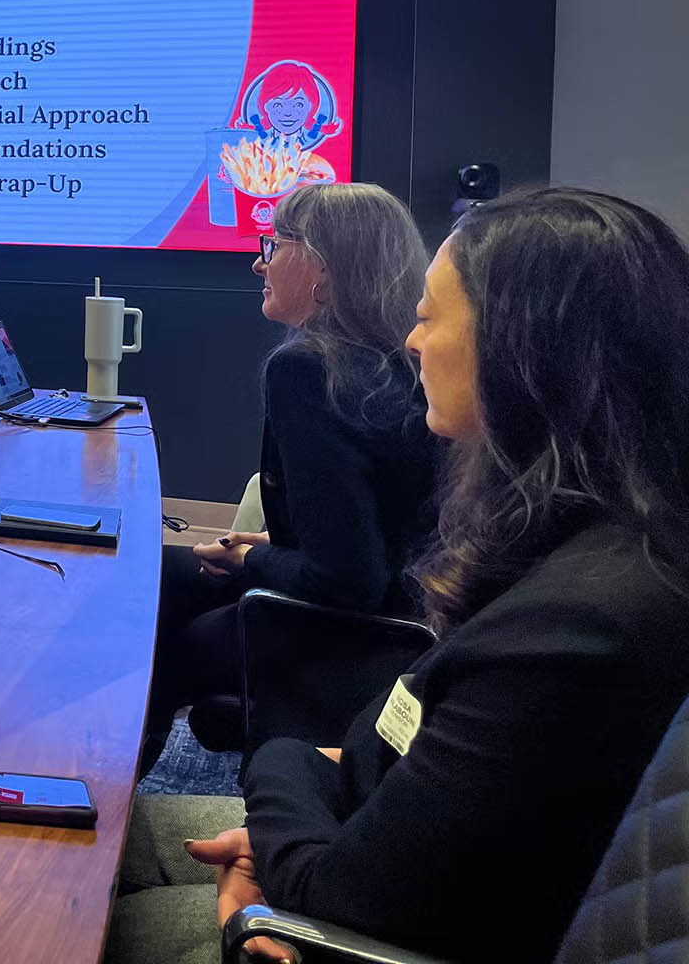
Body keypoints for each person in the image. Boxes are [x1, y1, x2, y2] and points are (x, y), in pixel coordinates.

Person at [107, 188, 689, 963]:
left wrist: (286, 765)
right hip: (364, 829)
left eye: (430, 318)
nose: (413, 344)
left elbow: (334, 890)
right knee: (86, 833)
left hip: (327, 926)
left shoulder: (578, 625)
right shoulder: (595, 547)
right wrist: (313, 787)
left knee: (30, 907)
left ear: (520, 349)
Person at [142, 182, 439, 771]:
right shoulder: (403, 360)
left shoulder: (306, 370)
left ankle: (100, 819)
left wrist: (251, 561)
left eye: (273, 244)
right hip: (414, 614)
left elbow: (346, 580)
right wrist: (266, 548)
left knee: (151, 644)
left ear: (322, 270)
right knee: (165, 571)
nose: (259, 261)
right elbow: (374, 527)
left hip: (351, 630)